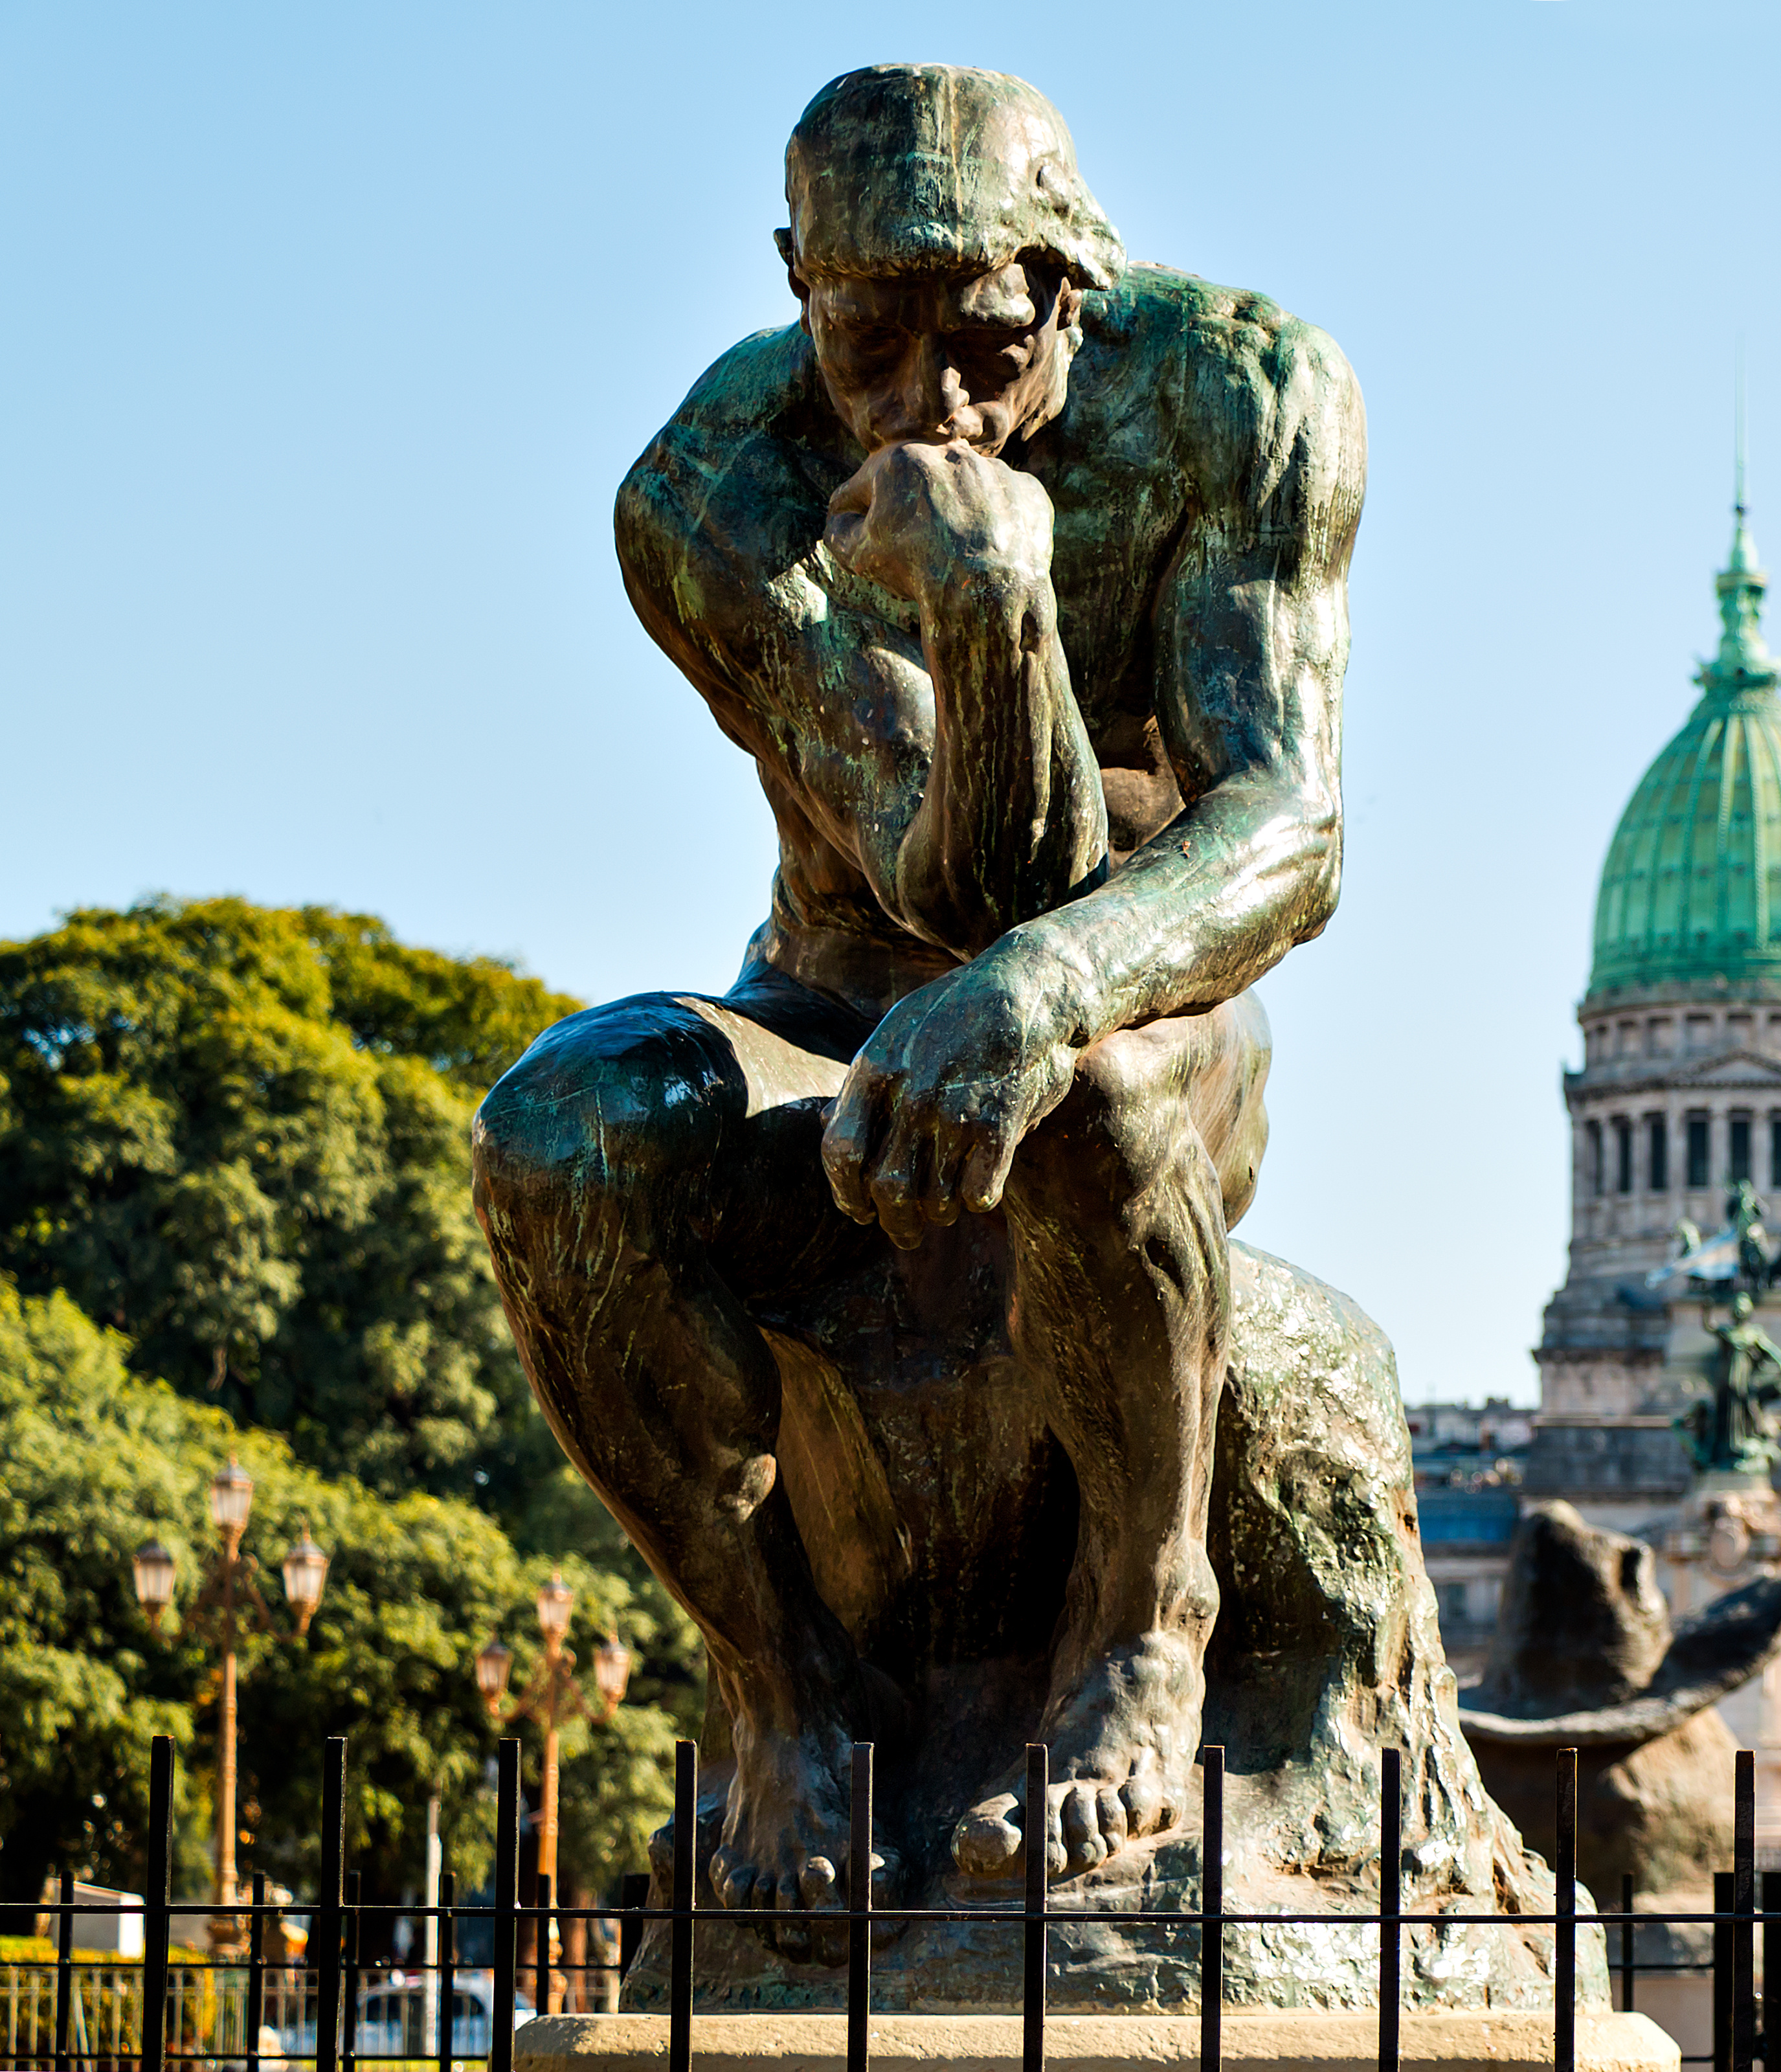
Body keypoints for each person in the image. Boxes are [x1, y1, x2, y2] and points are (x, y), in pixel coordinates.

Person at [471, 63, 1361, 1931]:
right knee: (558, 1136)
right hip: (829, 1003)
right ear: (796, 280)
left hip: (1154, 1004)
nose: (926, 404)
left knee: (1086, 1087)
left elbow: (1287, 828)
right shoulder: (714, 492)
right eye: (865, 337)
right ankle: (780, 1683)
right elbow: (946, 881)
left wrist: (1049, 980)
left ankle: (1144, 1623)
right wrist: (983, 613)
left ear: (1076, 283)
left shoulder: (1244, 398)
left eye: (981, 340)